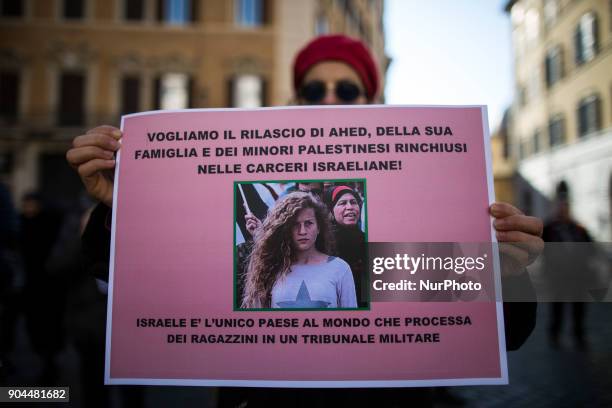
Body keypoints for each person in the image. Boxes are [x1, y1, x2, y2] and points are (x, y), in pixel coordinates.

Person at [66, 34, 544, 406]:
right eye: (316, 88)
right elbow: (152, 282)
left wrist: (510, 272)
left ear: (371, 101)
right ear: (296, 99)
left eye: (347, 89)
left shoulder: (422, 202)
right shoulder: (248, 226)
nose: (331, 99)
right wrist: (122, 208)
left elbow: (504, 333)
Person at [242, 192, 356, 309]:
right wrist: (260, 241)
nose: (302, 231)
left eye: (308, 223)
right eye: (295, 224)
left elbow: (351, 322)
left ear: (319, 227)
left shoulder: (340, 269)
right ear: (285, 229)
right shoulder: (271, 268)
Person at [324, 185, 367, 307]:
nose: (350, 207)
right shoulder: (323, 243)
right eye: (342, 203)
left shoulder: (365, 239)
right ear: (330, 209)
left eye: (353, 202)